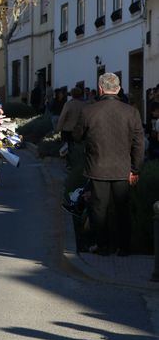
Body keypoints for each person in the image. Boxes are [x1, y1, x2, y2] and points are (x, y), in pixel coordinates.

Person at [74, 73, 144, 256]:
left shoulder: (89, 111)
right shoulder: (131, 112)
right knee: (123, 209)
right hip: (123, 168)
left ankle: (103, 246)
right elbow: (139, 144)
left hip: (98, 167)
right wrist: (135, 169)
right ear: (119, 89)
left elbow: (77, 136)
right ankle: (124, 248)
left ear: (100, 88)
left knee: (99, 209)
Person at [55, 87, 85, 168]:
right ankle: (79, 163)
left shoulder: (68, 104)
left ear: (72, 95)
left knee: (68, 147)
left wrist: (58, 128)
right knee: (79, 147)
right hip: (80, 130)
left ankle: (70, 164)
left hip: (68, 129)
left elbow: (62, 117)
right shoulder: (84, 104)